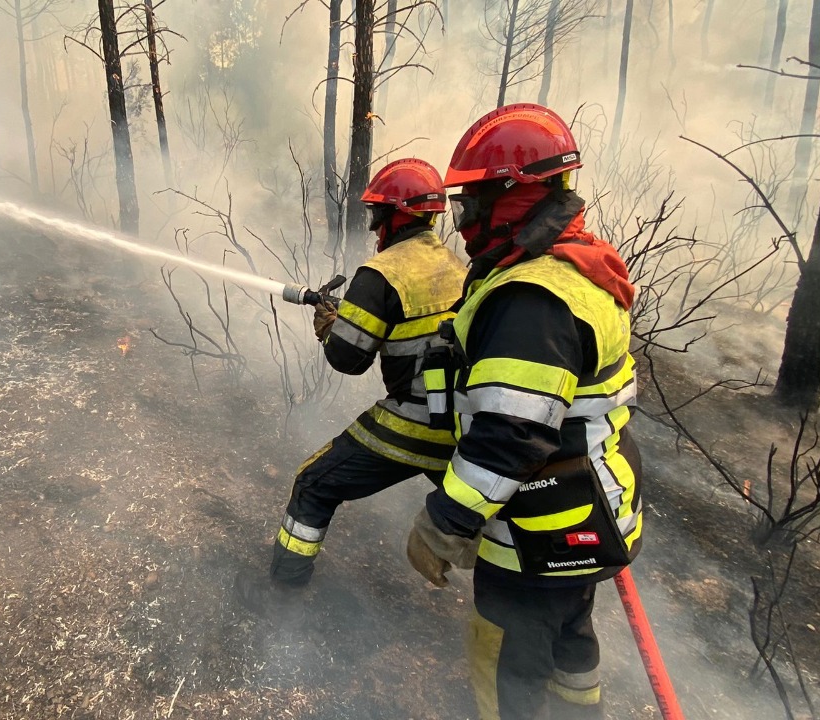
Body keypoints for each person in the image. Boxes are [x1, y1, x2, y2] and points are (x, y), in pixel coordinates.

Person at [404, 104, 642, 720]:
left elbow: (506, 438)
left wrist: (444, 522)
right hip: (581, 513)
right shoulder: (570, 266)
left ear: (512, 196)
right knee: (570, 641)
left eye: (471, 205)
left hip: (535, 532)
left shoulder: (532, 301)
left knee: (505, 660)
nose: (461, 223)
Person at [237, 158, 468, 610]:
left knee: (313, 482)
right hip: (461, 423)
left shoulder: (382, 274)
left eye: (378, 212)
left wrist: (330, 328)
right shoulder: (457, 266)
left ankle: (282, 589)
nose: (374, 223)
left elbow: (348, 359)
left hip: (415, 418)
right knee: (484, 511)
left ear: (396, 215)